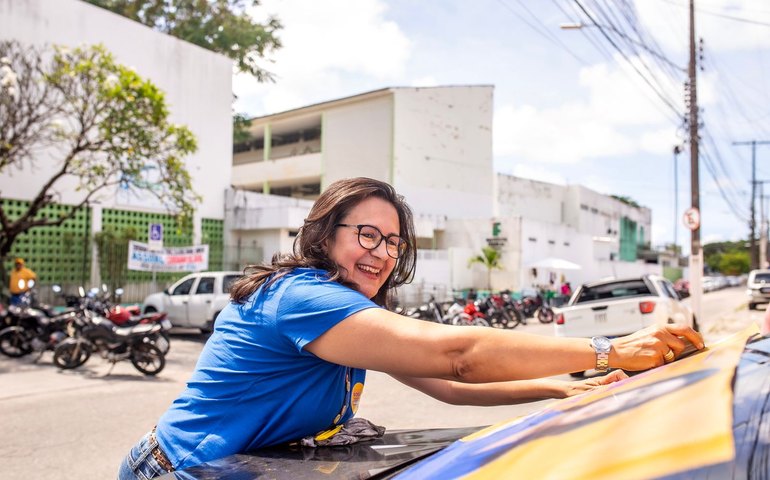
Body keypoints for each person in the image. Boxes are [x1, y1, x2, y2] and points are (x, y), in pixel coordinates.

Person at [118, 177, 704, 479]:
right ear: (324, 235)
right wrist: (608, 351)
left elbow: (448, 386)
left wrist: (564, 388)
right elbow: (459, 356)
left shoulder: (347, 312)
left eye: (393, 242)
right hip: (178, 471)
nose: (381, 253)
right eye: (365, 234)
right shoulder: (302, 298)